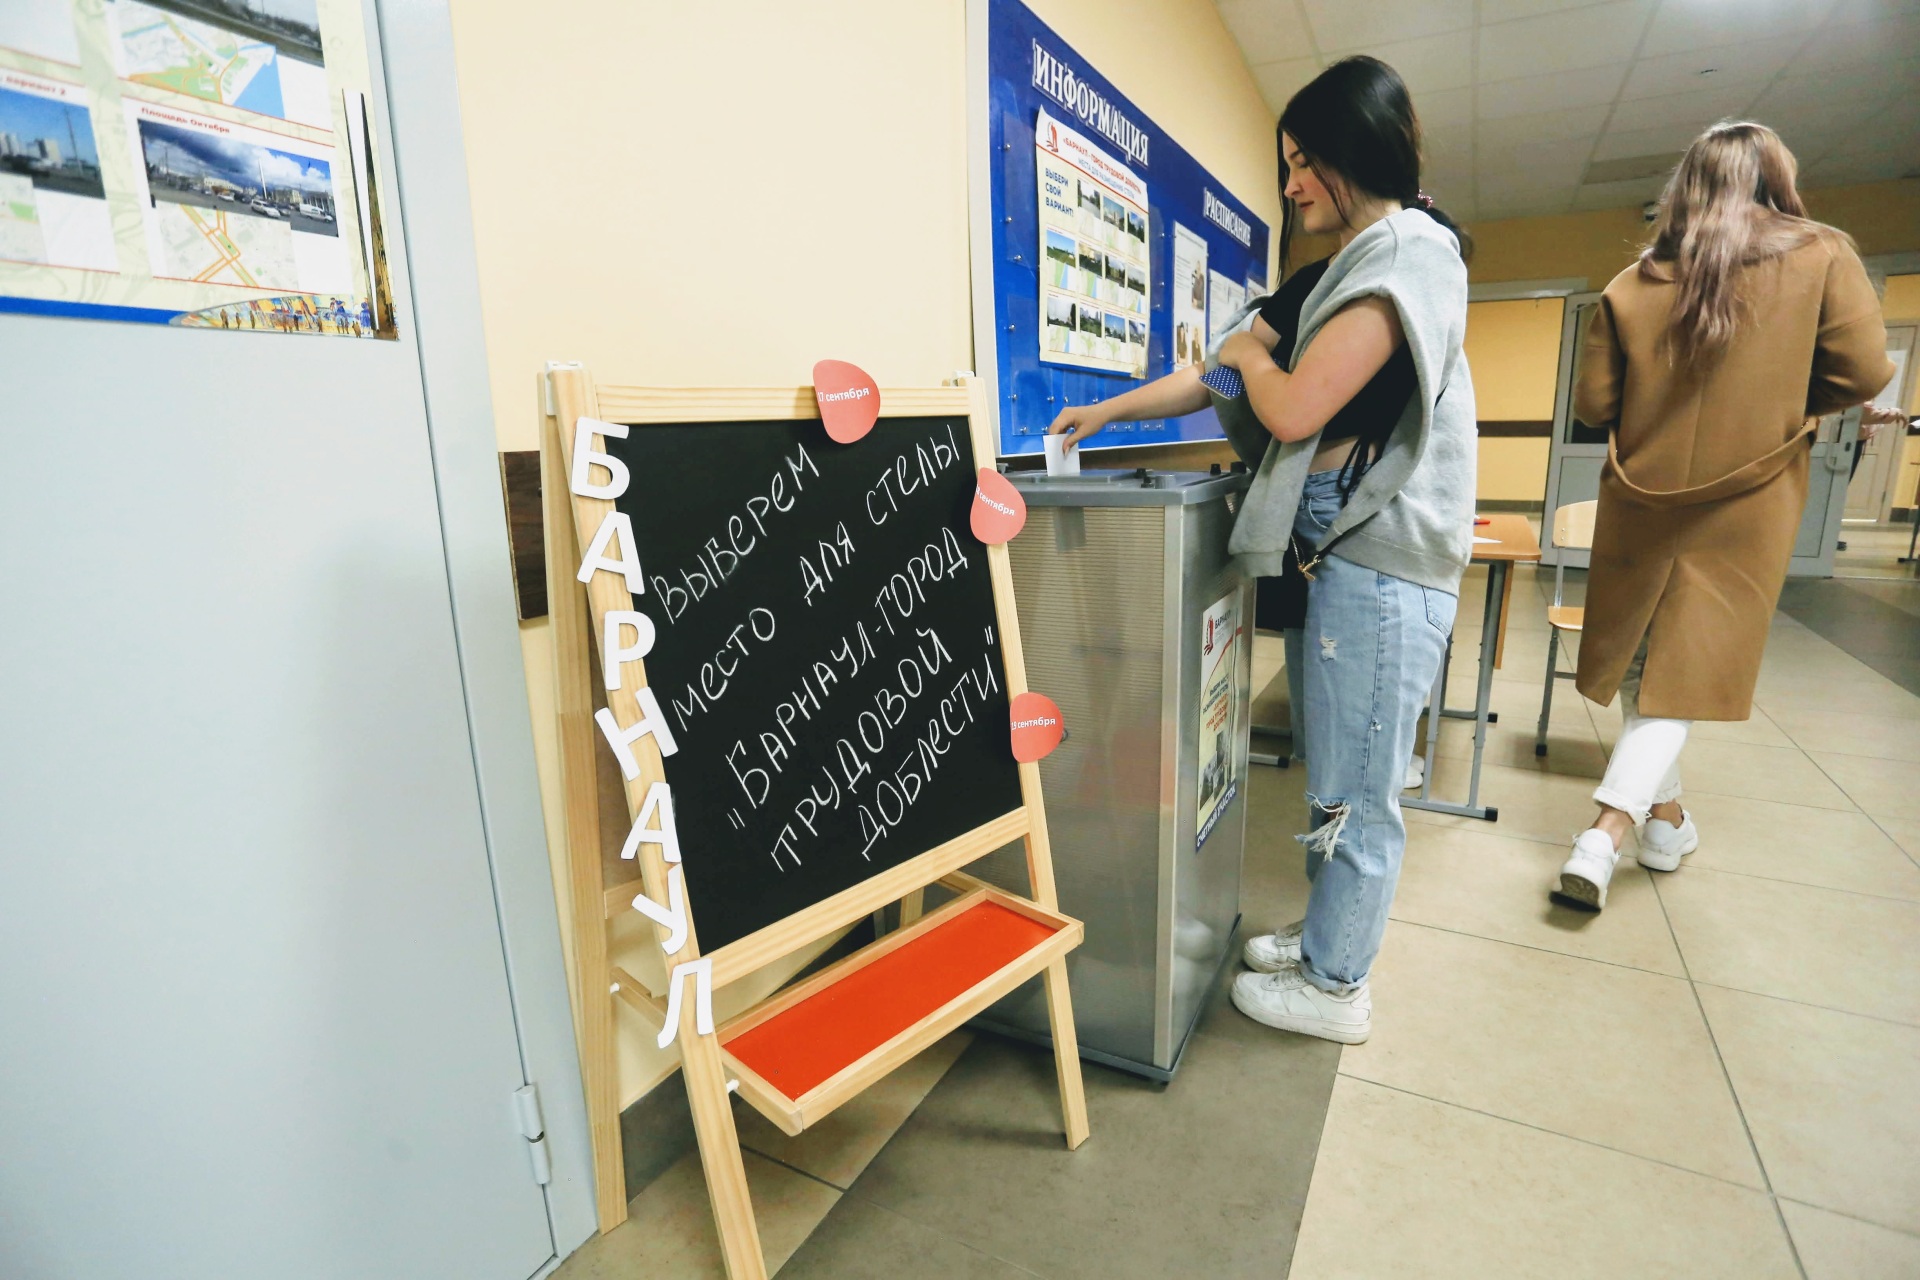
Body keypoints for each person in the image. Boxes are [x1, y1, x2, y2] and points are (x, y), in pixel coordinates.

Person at [1049, 57, 1475, 1043]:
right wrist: (1109, 411)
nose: (1289, 185)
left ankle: (1336, 985)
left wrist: (1248, 355)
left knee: (1360, 793)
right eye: (1286, 164)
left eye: (1302, 163)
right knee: (1334, 774)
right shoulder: (1334, 272)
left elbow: (1286, 404)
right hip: (1344, 554)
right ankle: (1326, 938)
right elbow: (1214, 375)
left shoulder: (1411, 254)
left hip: (1387, 562)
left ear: (1350, 154)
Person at [1559, 121, 1895, 909]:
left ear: (1686, 187)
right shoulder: (1824, 255)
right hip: (1750, 497)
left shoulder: (1633, 282)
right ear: (1776, 180)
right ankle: (1605, 832)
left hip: (1642, 498)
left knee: (1651, 664)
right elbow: (1863, 372)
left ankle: (1667, 824)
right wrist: (1785, 397)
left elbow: (1594, 404)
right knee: (1684, 674)